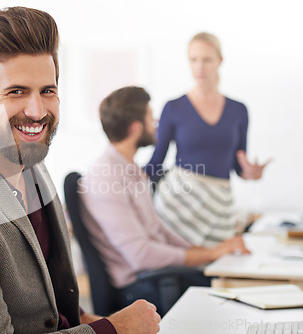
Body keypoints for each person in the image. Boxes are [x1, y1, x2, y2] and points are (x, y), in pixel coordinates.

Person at [0, 7, 160, 334]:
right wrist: (112, 330)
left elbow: (47, 295)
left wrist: (96, 321)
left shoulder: (26, 159)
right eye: (16, 92)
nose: (37, 112)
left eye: (47, 91)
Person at [79, 86, 250, 313]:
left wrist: (204, 252)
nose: (156, 123)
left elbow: (159, 229)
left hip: (157, 278)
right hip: (142, 288)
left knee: (232, 279)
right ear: (136, 128)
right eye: (151, 117)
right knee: (235, 296)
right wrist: (209, 254)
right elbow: (140, 255)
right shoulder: (105, 175)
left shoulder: (132, 170)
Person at [144, 32, 271, 248]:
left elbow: (237, 165)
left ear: (219, 61)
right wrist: (121, 176)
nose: (199, 67)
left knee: (214, 266)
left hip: (219, 204)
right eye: (193, 59)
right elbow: (157, 162)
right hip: (178, 202)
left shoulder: (238, 111)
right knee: (178, 268)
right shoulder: (173, 108)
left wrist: (250, 173)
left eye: (206, 59)